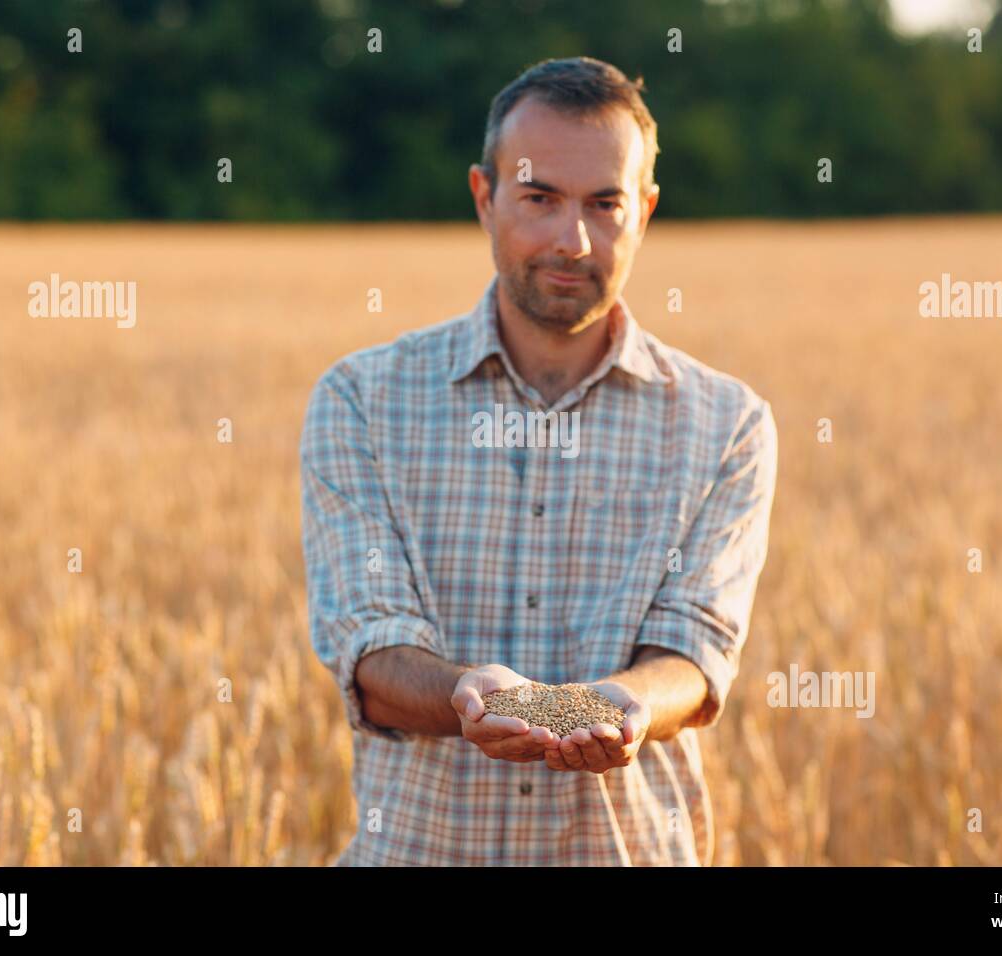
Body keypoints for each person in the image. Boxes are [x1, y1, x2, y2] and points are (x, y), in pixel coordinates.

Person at [300, 56, 778, 865]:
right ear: (485, 198)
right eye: (539, 198)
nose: (573, 240)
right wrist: (465, 695)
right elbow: (371, 651)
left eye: (605, 203)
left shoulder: (726, 423)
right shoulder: (363, 401)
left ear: (647, 211)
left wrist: (617, 705)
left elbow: (693, 656)